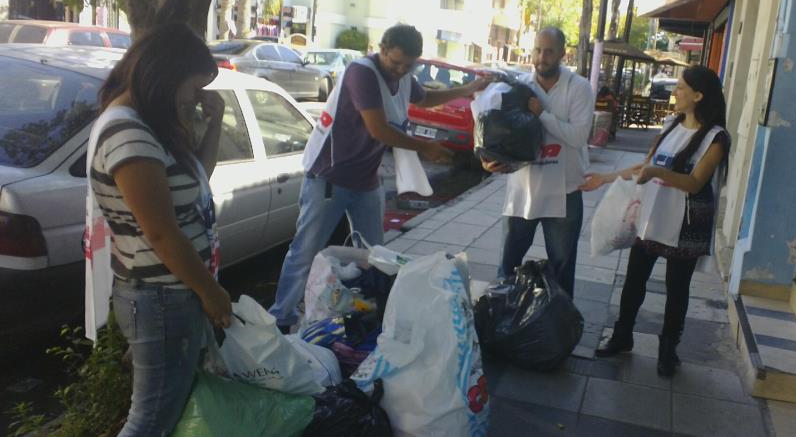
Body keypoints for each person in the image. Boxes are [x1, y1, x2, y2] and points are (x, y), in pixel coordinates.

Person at [269, 24, 488, 330]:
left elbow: (424, 99)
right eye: (395, 62)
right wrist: (425, 147)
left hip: (366, 179)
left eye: (408, 65)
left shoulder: (403, 77)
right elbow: (379, 129)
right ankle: (281, 317)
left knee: (376, 254)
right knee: (306, 249)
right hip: (330, 176)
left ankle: (369, 310)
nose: (400, 70)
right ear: (382, 49)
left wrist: (466, 90)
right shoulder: (363, 74)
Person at [88, 22, 232, 435]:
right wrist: (211, 292)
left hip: (167, 294)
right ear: (167, 76)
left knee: (162, 411)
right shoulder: (127, 131)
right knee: (150, 420)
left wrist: (215, 119)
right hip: (160, 297)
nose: (194, 99)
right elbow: (161, 233)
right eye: (193, 88)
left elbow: (197, 177)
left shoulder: (150, 124)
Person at [581, 65, 729, 377]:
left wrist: (658, 173)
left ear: (699, 96)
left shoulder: (717, 138)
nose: (675, 92)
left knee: (677, 288)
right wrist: (606, 178)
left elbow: (695, 183)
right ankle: (622, 336)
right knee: (634, 278)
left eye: (681, 88)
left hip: (687, 220)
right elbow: (645, 166)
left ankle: (668, 350)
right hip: (654, 212)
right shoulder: (671, 124)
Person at [483, 27, 593, 297]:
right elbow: (500, 136)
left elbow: (578, 137)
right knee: (507, 266)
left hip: (565, 193)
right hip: (523, 191)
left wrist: (542, 113)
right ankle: (499, 321)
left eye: (549, 51)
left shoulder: (578, 88)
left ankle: (559, 331)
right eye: (537, 50)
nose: (541, 57)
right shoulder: (519, 87)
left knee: (562, 270)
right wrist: (490, 161)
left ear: (562, 54)